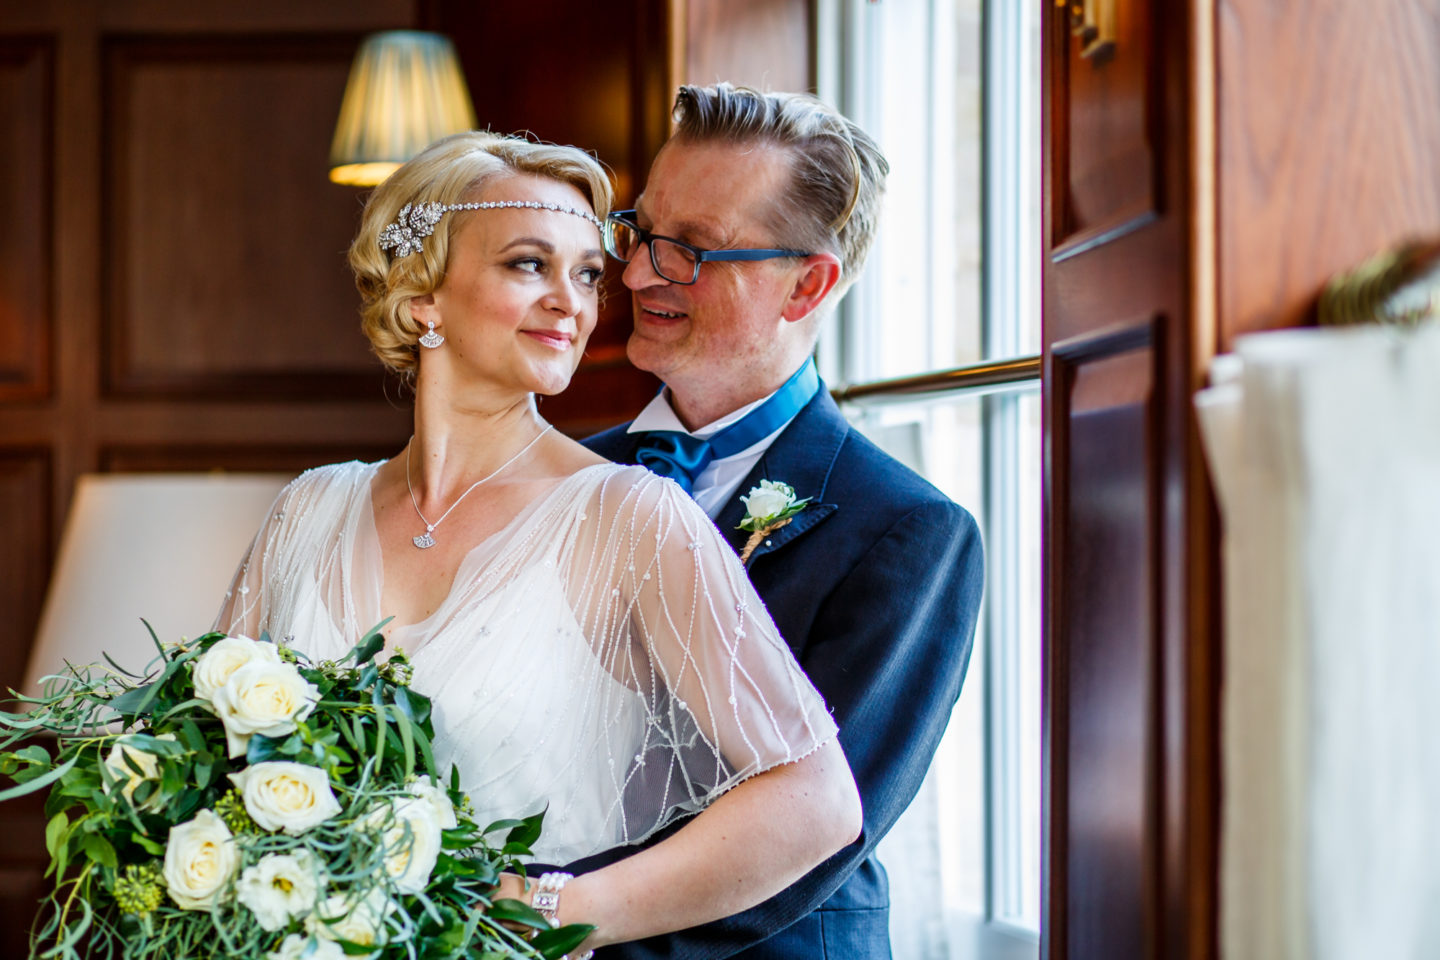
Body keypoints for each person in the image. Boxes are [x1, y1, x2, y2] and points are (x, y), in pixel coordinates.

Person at [216, 130, 863, 956]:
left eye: (588, 274)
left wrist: (557, 911)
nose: (574, 301)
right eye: (529, 264)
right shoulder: (307, 511)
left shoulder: (630, 517)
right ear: (423, 298)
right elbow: (206, 758)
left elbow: (816, 799)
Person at [582, 84, 985, 958]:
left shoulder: (910, 532)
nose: (641, 272)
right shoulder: (565, 477)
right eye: (643, 231)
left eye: (693, 250)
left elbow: (810, 843)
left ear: (808, 283)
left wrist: (546, 934)